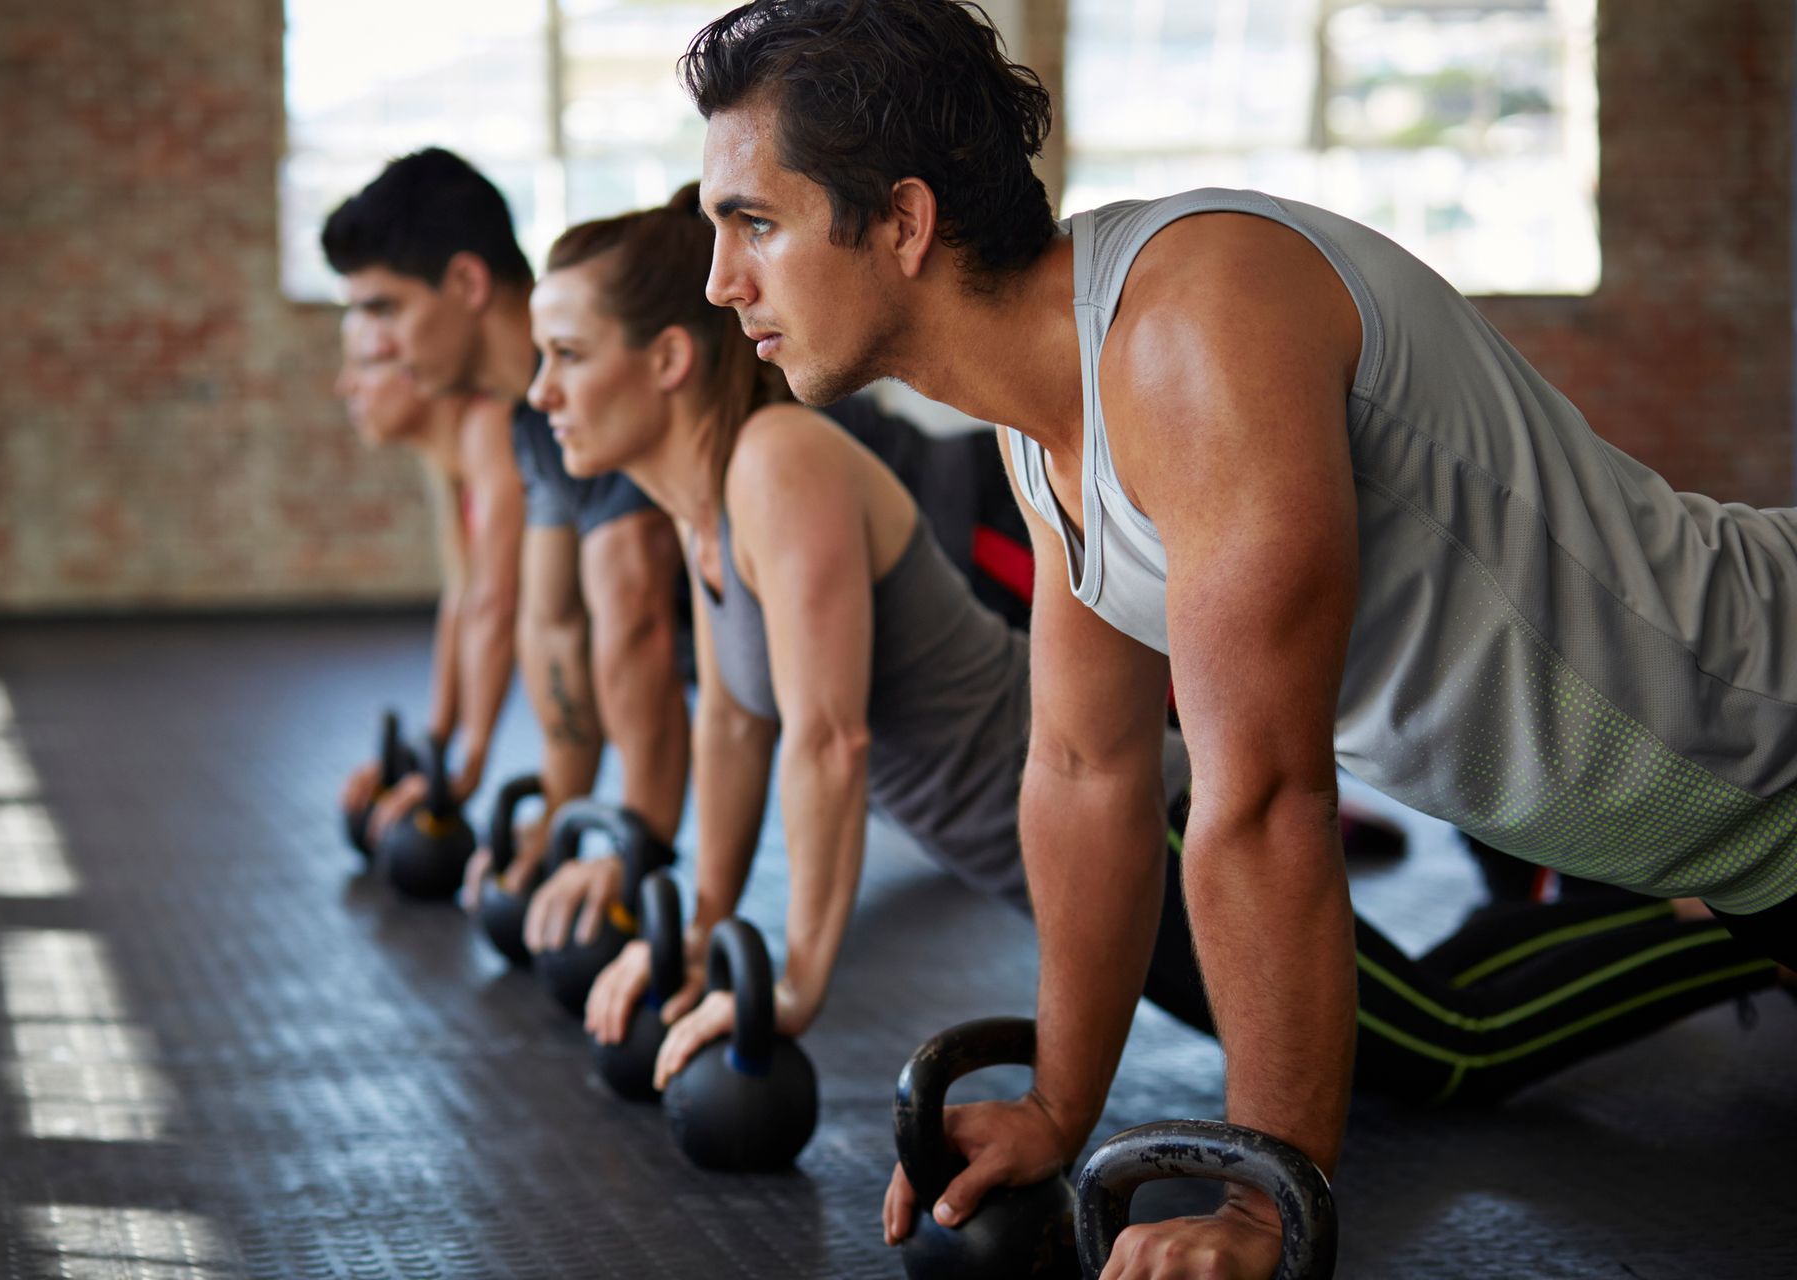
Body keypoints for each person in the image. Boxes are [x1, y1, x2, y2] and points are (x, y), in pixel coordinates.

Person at [678, 3, 1797, 1274]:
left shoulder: (1190, 332)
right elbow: (1086, 772)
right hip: (1741, 842)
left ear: (903, 221)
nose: (721, 281)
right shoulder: (1049, 423)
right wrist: (1059, 1097)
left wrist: (1265, 1196)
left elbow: (1261, 797)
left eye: (752, 223)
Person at [523, 189, 1782, 1137]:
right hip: (1082, 833)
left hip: (1174, 827)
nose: (542, 394)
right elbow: (757, 733)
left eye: (567, 355)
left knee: (1451, 1040)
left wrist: (790, 980)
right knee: (1436, 1013)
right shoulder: (727, 513)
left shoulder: (779, 462)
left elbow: (826, 737)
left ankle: (1724, 924)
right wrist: (697, 934)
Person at [322, 150, 691, 935]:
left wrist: (633, 852)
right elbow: (550, 622)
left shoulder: (601, 384)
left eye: (387, 310)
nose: (378, 345)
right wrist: (556, 821)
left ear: (465, 284)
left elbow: (635, 620)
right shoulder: (534, 419)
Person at [330, 314, 523, 839]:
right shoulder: (448, 462)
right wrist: (431, 748)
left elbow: (495, 604)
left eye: (365, 364)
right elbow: (463, 600)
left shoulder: (490, 425)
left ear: (418, 370)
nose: (344, 384)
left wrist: (464, 772)